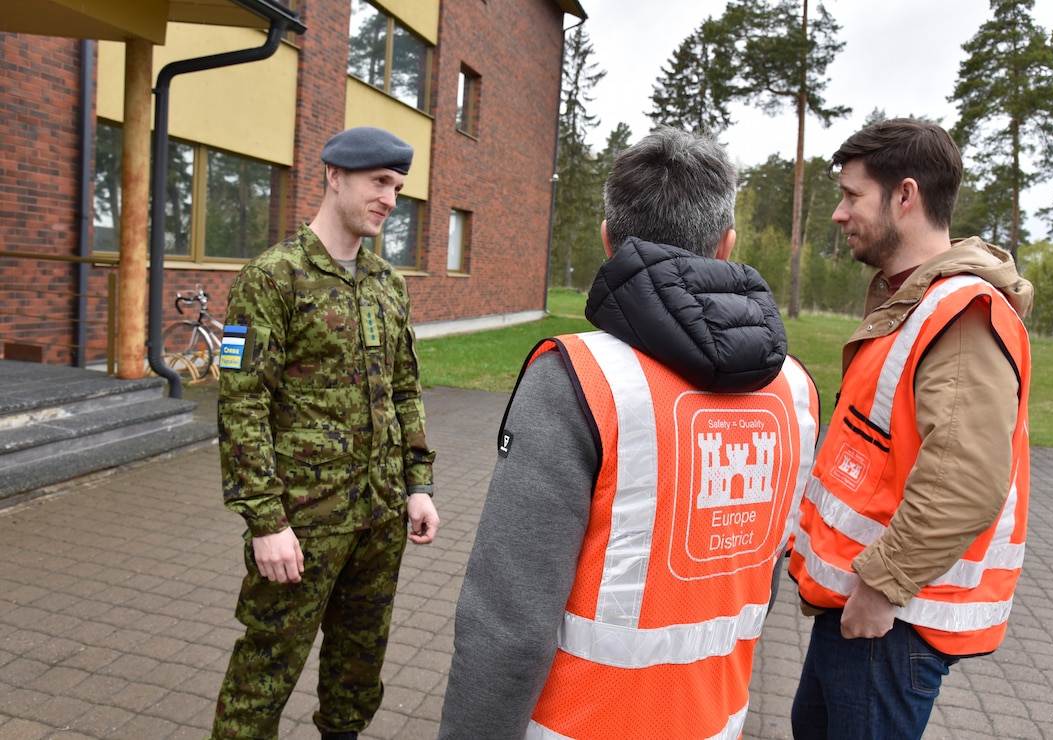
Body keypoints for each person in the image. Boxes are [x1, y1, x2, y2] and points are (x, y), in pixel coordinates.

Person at [437, 126, 820, 740]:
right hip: (714, 718)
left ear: (607, 239)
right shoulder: (793, 392)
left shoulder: (578, 378)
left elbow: (509, 616)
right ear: (727, 245)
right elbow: (762, 574)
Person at [788, 118, 1034, 739]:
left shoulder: (958, 316)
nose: (840, 214)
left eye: (851, 195)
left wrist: (882, 586)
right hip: (862, 607)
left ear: (905, 196)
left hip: (891, 621)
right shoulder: (914, 303)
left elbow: (967, 482)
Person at [209, 126, 440, 740]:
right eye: (379, 182)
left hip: (380, 516)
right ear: (335, 176)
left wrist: (418, 484)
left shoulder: (387, 284)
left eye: (397, 186)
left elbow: (404, 390)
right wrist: (266, 521)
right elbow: (242, 404)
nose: (391, 198)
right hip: (302, 524)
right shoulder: (271, 279)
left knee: (357, 674)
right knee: (263, 677)